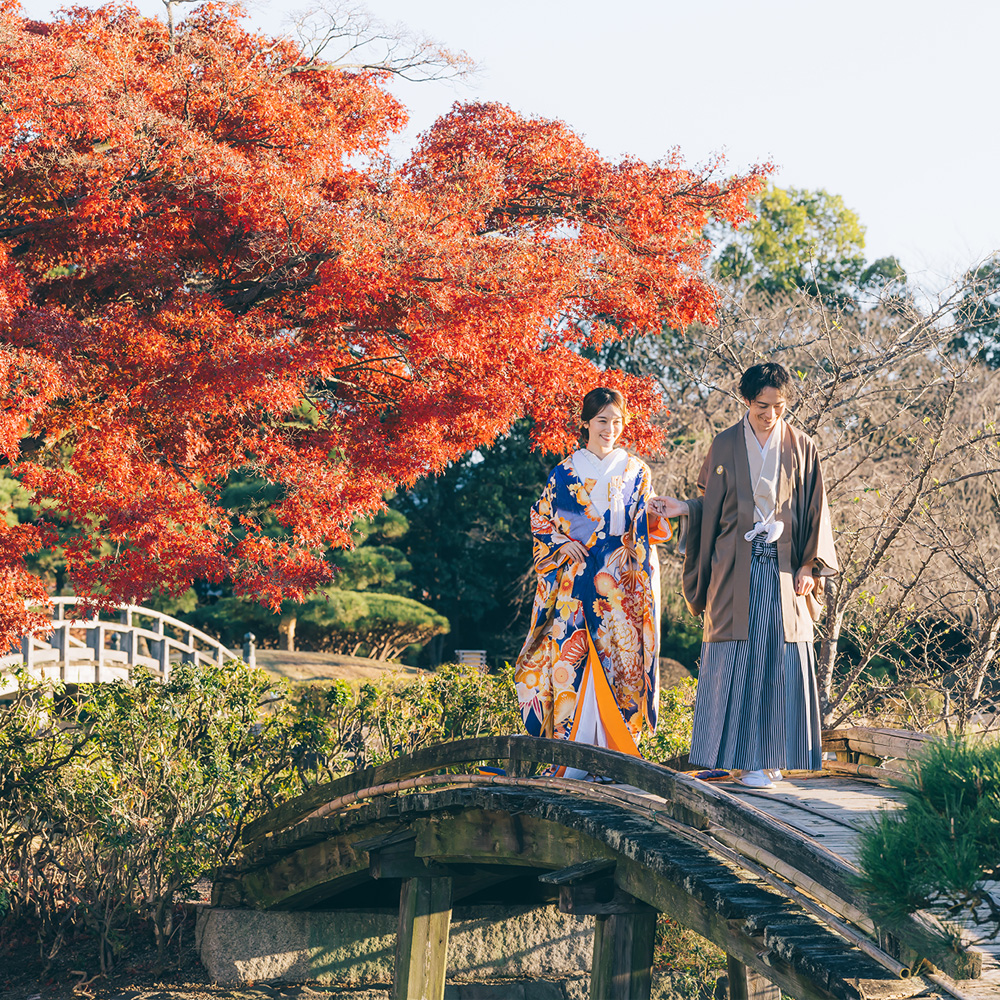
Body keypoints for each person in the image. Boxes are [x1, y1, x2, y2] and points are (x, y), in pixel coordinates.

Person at [649, 363, 837, 789]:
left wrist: (808, 565)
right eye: (761, 405)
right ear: (746, 401)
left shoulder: (802, 446)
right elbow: (710, 509)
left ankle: (774, 759)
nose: (770, 413)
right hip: (735, 566)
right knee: (739, 658)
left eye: (779, 406)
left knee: (780, 659)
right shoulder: (724, 445)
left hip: (785, 565)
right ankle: (747, 760)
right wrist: (684, 509)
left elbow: (816, 511)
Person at [514, 387, 672, 777]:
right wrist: (561, 544)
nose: (610, 429)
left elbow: (644, 526)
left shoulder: (636, 470)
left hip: (619, 587)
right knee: (573, 662)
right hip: (574, 584)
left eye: (617, 422)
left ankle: (612, 757)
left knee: (619, 663)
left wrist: (652, 517)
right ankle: (572, 757)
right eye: (602, 420)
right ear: (585, 422)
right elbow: (541, 520)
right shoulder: (564, 472)